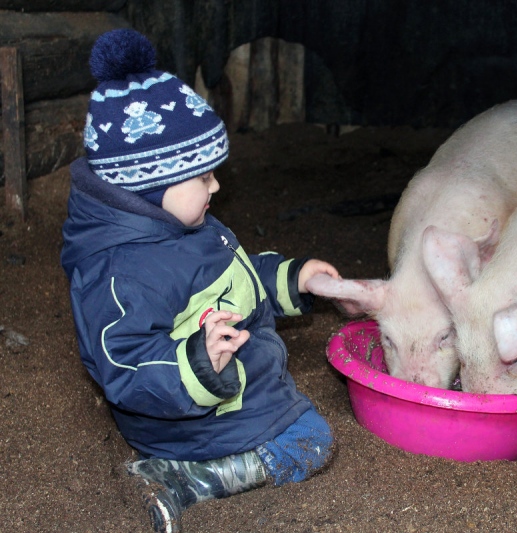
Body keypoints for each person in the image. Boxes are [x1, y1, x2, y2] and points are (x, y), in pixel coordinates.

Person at [60, 29, 339, 532]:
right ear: (151, 184)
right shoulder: (120, 271)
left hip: (229, 392)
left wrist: (294, 280)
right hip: (191, 418)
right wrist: (196, 363)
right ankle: (186, 480)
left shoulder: (181, 226)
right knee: (310, 440)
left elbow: (231, 279)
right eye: (203, 176)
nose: (217, 185)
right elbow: (122, 362)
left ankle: (183, 472)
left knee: (305, 428)